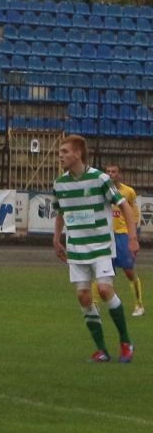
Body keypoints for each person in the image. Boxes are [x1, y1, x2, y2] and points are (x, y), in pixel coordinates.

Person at [52, 136, 138, 363]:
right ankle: (102, 350)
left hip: (101, 245)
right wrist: (56, 239)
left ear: (78, 154)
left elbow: (125, 207)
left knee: (103, 290)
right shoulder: (60, 183)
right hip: (77, 248)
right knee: (82, 296)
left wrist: (132, 237)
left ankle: (126, 342)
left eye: (64, 151)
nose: (60, 155)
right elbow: (61, 212)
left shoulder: (100, 179)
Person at [105, 164, 144, 316]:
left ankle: (139, 305)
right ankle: (96, 305)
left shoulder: (128, 192)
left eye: (113, 171)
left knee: (128, 270)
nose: (110, 174)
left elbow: (134, 215)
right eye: (108, 171)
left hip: (123, 234)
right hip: (107, 235)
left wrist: (134, 236)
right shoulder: (102, 191)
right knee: (104, 272)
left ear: (119, 174)